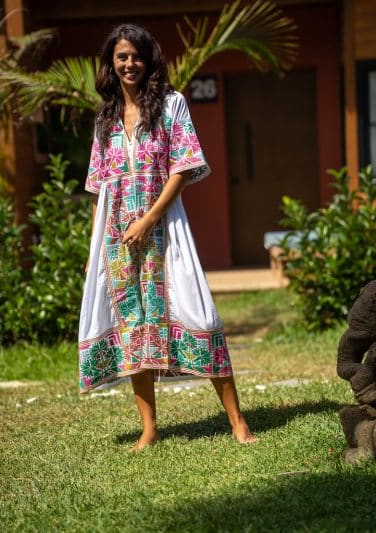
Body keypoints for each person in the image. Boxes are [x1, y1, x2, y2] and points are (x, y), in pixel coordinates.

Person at [78, 23, 257, 450]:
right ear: (111, 64)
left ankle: (237, 421)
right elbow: (98, 188)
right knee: (133, 327)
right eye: (121, 57)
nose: (129, 64)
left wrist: (149, 219)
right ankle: (150, 428)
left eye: (136, 56)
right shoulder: (104, 118)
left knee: (200, 315)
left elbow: (183, 168)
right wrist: (93, 249)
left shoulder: (171, 105)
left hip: (165, 230)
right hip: (116, 238)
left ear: (149, 59)